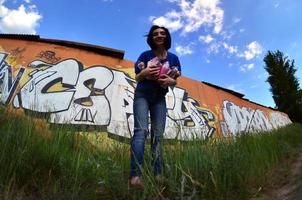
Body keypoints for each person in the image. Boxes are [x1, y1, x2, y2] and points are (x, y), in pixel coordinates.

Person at [129, 25, 181, 188]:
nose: (159, 35)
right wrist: (144, 73)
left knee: (157, 136)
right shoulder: (145, 55)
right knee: (141, 132)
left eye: (162, 33)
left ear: (167, 37)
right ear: (151, 38)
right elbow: (137, 77)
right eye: (155, 33)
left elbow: (175, 80)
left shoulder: (174, 58)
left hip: (160, 98)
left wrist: (172, 81)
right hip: (142, 96)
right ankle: (135, 177)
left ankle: (157, 174)